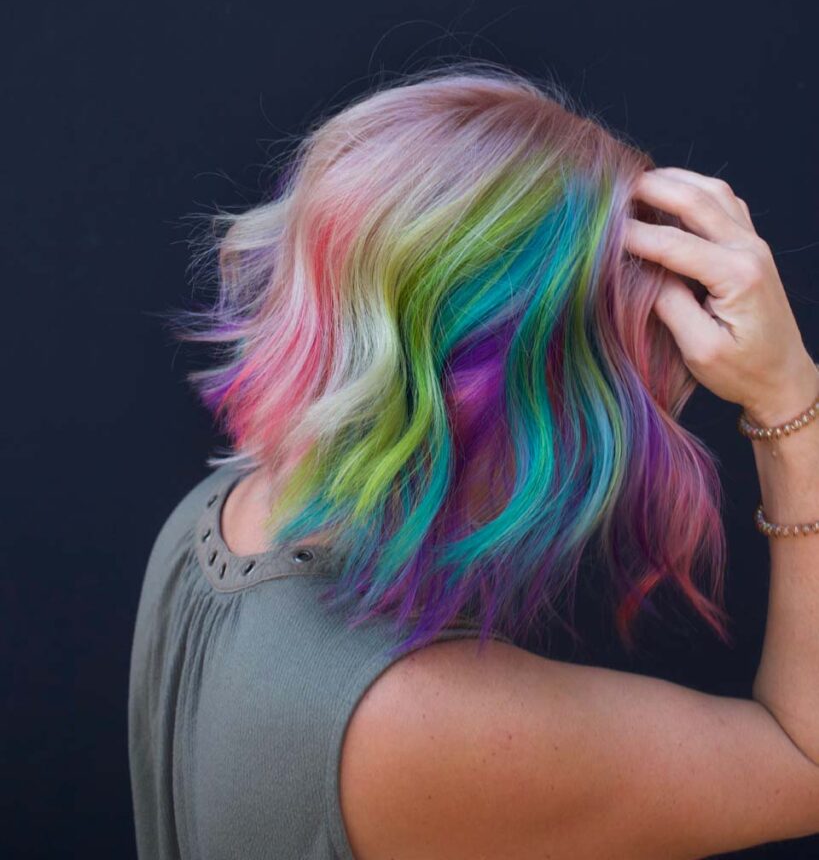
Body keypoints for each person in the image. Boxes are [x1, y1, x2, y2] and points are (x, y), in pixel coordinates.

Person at [128, 63, 819, 859]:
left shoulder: (217, 517)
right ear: (536, 395)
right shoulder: (422, 724)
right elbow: (805, 762)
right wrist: (787, 402)